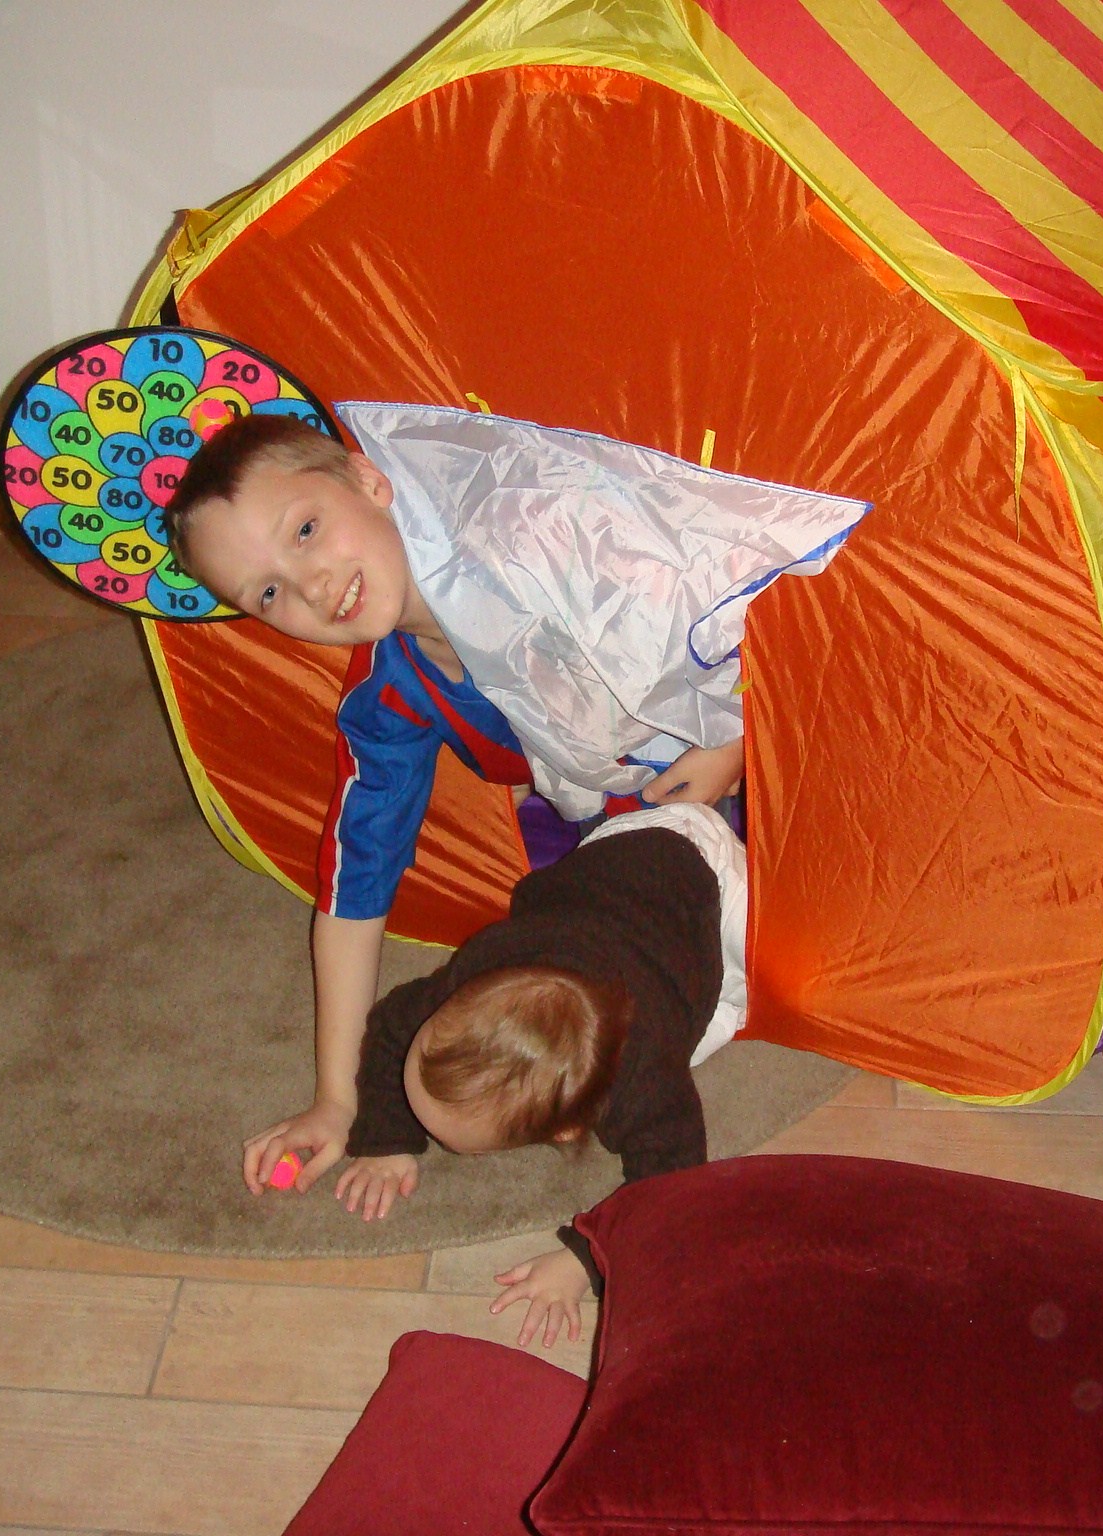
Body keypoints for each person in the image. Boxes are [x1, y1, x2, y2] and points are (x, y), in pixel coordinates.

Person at [160, 411, 844, 1193]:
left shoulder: (535, 547)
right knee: (568, 973)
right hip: (634, 812)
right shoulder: (394, 694)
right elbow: (355, 888)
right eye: (269, 591)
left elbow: (754, 601)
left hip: (762, 729)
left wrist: (735, 737)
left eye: (307, 529)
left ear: (369, 480)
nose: (311, 587)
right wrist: (336, 1100)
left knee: (816, 931)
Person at [335, 801, 747, 1347]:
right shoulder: (468, 982)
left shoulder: (644, 1077)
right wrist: (384, 1136)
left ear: (567, 1129)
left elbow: (672, 1191)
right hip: (613, 846)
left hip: (707, 873)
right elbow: (391, 1023)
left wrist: (586, 1261)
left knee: (733, 1010)